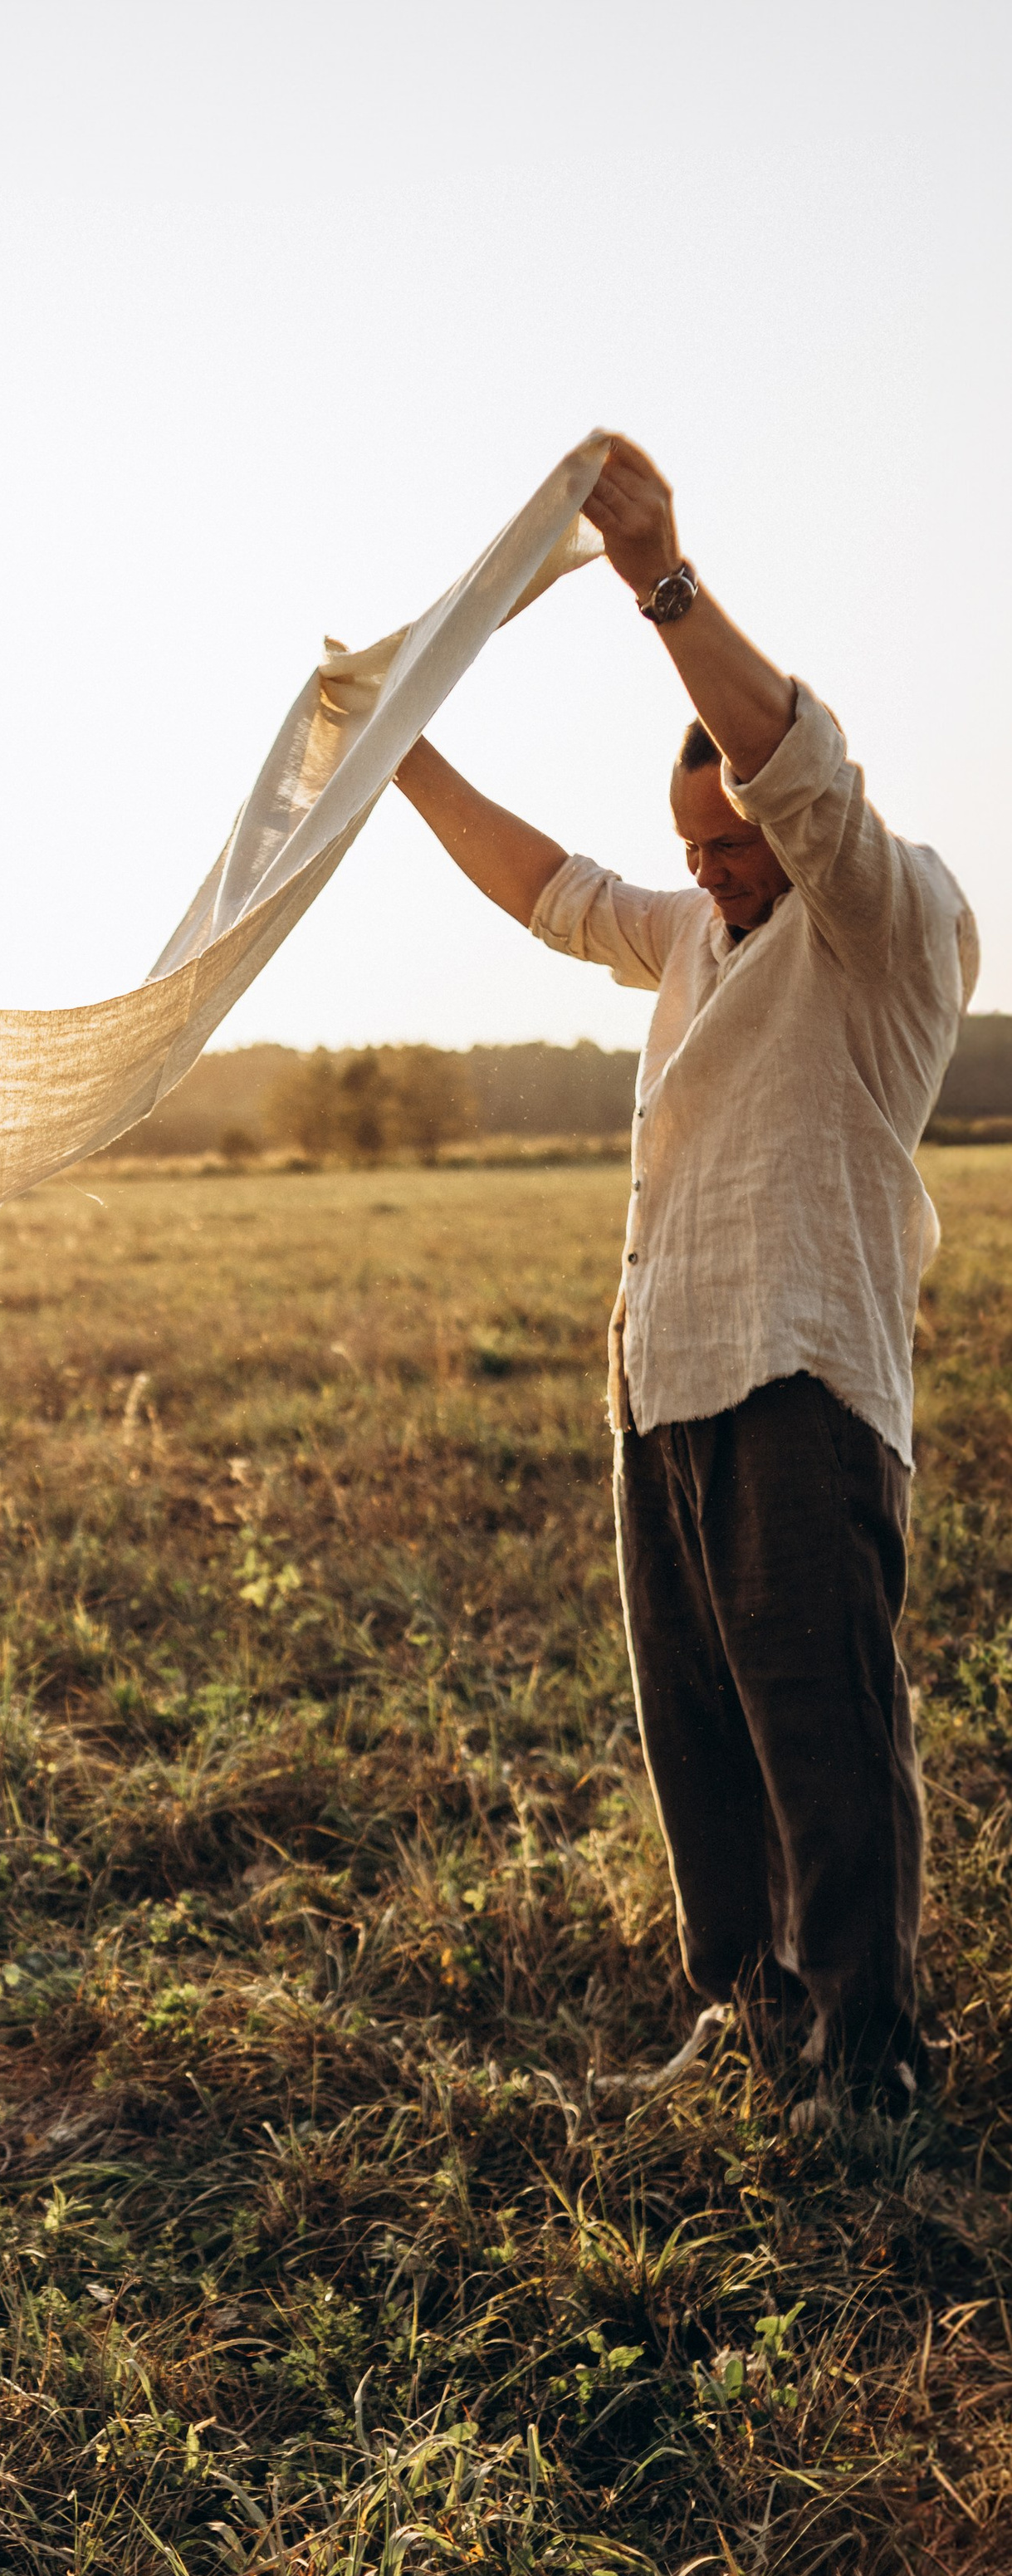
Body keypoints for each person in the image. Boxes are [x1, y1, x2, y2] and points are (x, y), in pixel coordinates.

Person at [394, 435, 978, 2133]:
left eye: (730, 845)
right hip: (661, 1368)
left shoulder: (882, 916)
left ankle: (862, 2059)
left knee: (822, 1724)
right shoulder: (698, 934)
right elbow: (543, 893)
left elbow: (799, 777)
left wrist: (660, 578)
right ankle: (739, 2010)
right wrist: (396, 761)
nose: (711, 872)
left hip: (798, 1374)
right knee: (697, 1732)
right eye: (693, 849)